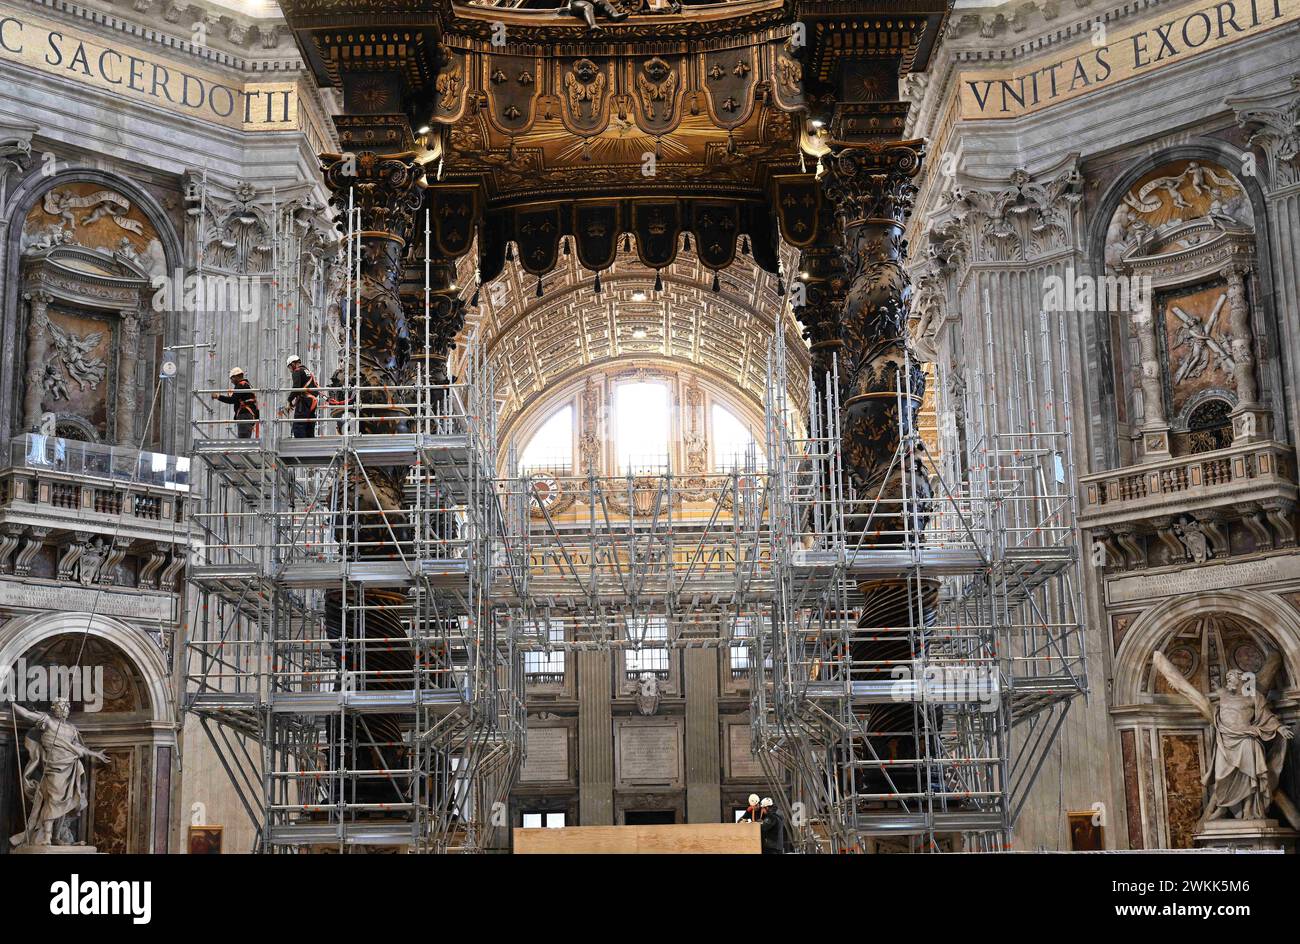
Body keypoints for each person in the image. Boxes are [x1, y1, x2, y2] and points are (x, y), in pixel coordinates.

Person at [8, 699, 111, 847]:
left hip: (70, 767)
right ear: (54, 708)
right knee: (53, 800)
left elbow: (78, 748)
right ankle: (46, 837)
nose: (64, 709)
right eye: (61, 706)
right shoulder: (48, 722)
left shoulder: (71, 729)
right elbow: (27, 715)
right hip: (54, 768)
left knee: (67, 802)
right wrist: (12, 704)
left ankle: (55, 836)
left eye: (66, 707)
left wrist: (95, 754)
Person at [212, 367, 260, 438]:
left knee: (243, 440)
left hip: (244, 415)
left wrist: (218, 396)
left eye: (231, 378)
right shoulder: (246, 385)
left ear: (235, 377)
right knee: (245, 439)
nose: (231, 381)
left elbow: (232, 400)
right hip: (248, 415)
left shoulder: (241, 385)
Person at [286, 355, 319, 439]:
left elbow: (296, 388)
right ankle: (310, 446)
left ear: (293, 364)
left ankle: (300, 448)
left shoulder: (297, 371)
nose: (290, 370)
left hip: (304, 402)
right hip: (312, 401)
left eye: (290, 367)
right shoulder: (307, 371)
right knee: (309, 425)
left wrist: (289, 400)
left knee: (298, 425)